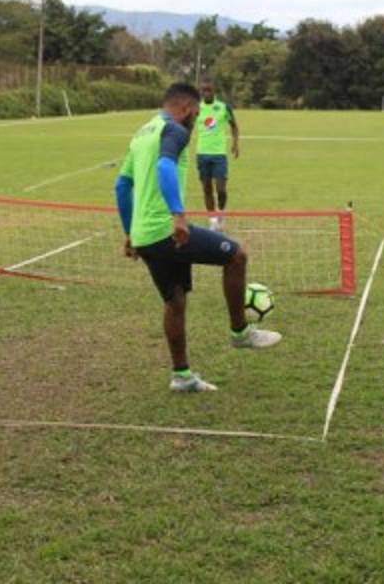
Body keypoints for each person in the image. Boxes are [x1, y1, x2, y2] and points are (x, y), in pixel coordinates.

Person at [114, 82, 279, 394]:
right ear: (187, 109)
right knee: (236, 255)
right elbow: (164, 166)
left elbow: (121, 186)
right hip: (167, 231)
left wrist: (129, 232)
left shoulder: (142, 132)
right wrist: (178, 215)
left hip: (145, 237)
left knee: (174, 300)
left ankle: (182, 375)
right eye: (195, 113)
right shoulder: (175, 130)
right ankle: (240, 332)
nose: (195, 120)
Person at [195, 80, 239, 232]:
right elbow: (186, 126)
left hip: (219, 154)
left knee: (221, 189)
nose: (206, 93)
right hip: (202, 154)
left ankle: (221, 213)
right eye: (204, 91)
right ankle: (212, 220)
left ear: (214, 91)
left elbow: (234, 126)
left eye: (209, 90)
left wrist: (235, 143)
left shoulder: (223, 107)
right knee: (207, 189)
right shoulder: (197, 108)